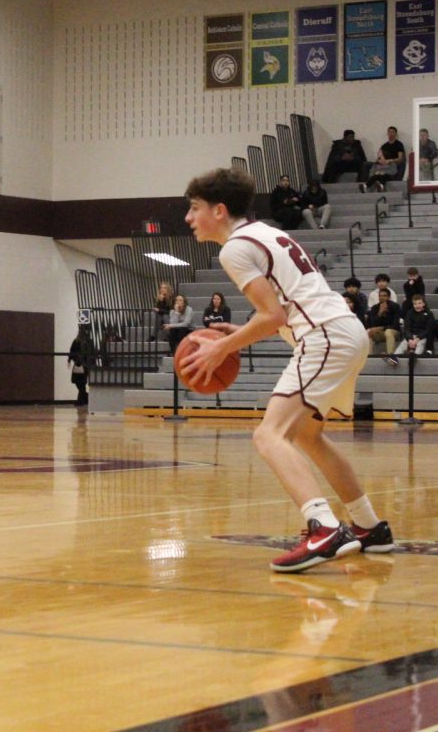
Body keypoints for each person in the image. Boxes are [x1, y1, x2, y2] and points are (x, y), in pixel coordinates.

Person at [181, 168, 393, 573]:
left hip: (325, 336)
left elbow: (272, 313)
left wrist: (222, 347)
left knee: (268, 435)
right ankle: (369, 526)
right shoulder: (265, 232)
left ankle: (323, 527)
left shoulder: (234, 249)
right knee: (308, 436)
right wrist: (239, 332)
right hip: (344, 331)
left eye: (194, 209)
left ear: (219, 210)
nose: (189, 218)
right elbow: (282, 310)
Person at [365, 287, 400, 364]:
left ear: (389, 297)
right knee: (369, 332)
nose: (382, 298)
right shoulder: (375, 308)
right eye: (380, 296)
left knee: (388, 331)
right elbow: (372, 324)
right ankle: (369, 358)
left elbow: (395, 325)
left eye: (384, 296)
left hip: (394, 332)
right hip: (381, 333)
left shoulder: (395, 306)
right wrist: (380, 313)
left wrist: (382, 327)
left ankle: (391, 356)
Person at [364, 126, 405, 191]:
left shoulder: (399, 144)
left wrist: (389, 160)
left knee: (385, 172)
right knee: (366, 164)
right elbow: (379, 157)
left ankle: (380, 184)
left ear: (396, 134)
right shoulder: (384, 145)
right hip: (383, 163)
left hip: (392, 163)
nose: (391, 134)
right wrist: (379, 161)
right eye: (389, 132)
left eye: (393, 132)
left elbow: (400, 159)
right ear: (387, 133)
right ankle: (365, 182)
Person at [68, 328, 93, 407]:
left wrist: (70, 359)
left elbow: (71, 351)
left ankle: (81, 401)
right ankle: (85, 399)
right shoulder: (86, 342)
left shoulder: (77, 341)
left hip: (81, 364)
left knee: (79, 383)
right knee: (81, 383)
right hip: (84, 365)